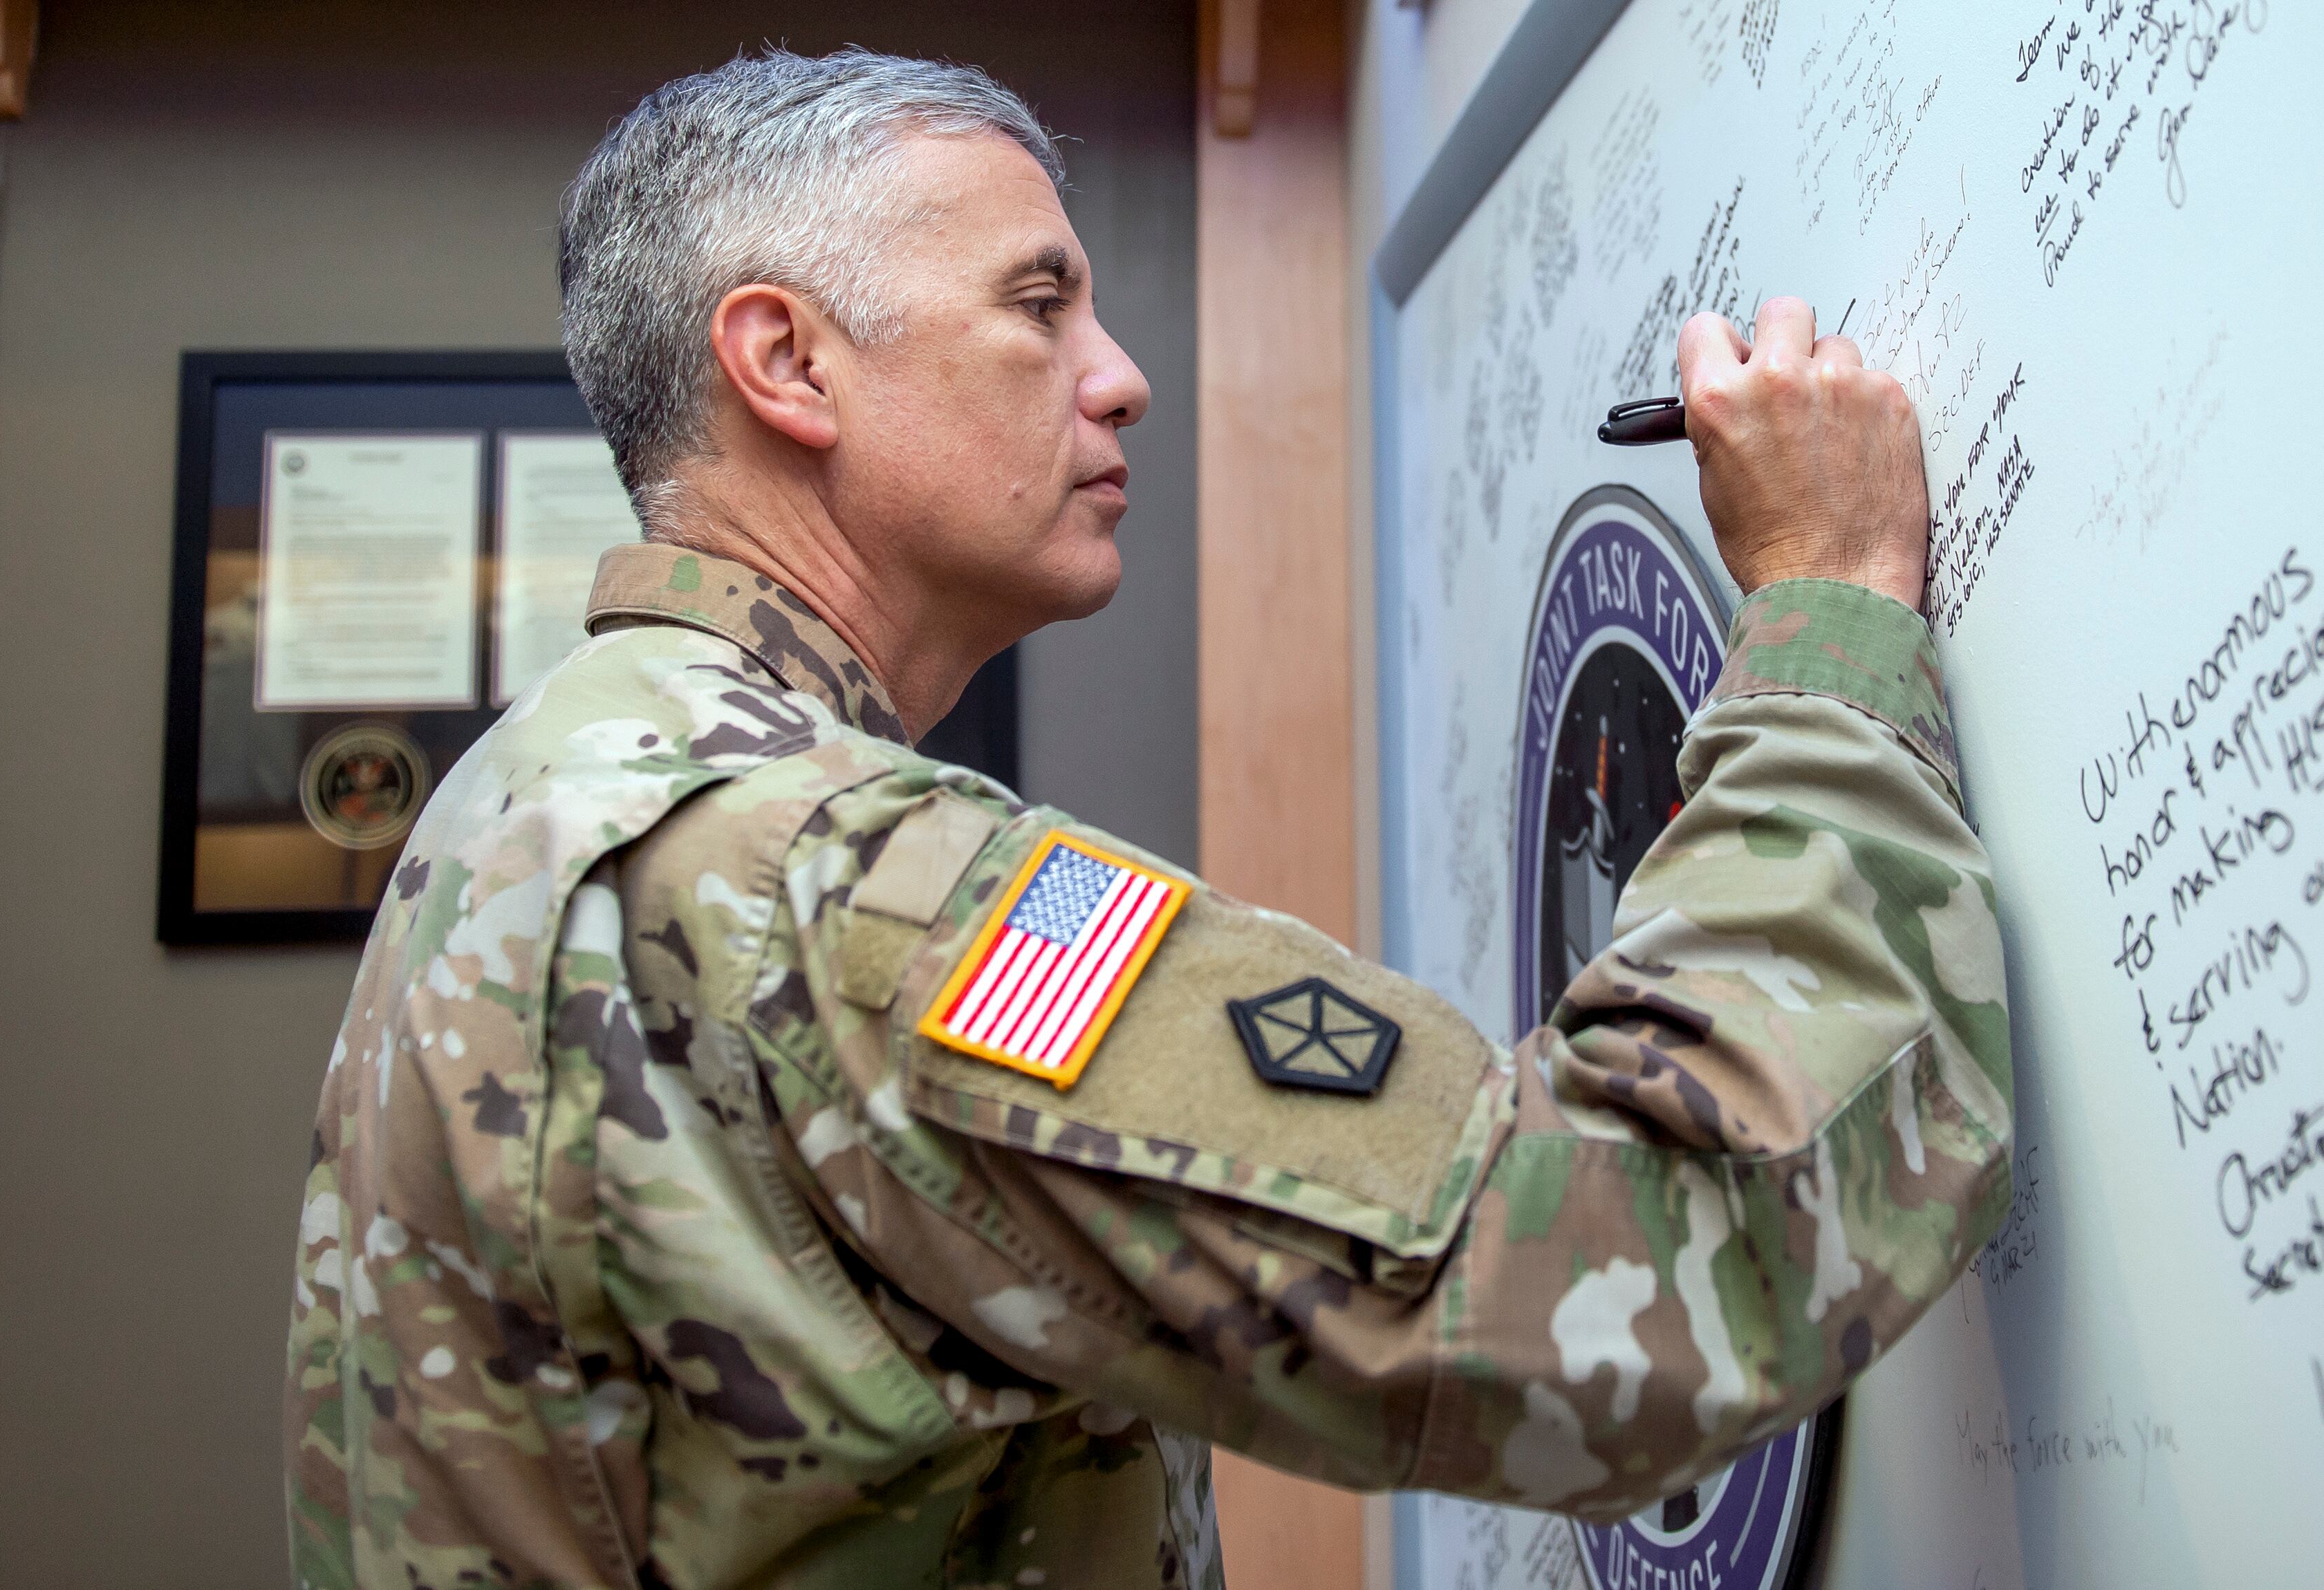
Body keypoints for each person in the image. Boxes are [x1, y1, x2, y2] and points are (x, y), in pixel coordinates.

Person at [284, 48, 2011, 1590]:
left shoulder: (544, 781)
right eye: (1039, 306)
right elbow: (1658, 1258)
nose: (1120, 378)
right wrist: (1827, 608)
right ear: (787, 361)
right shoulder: (839, 885)